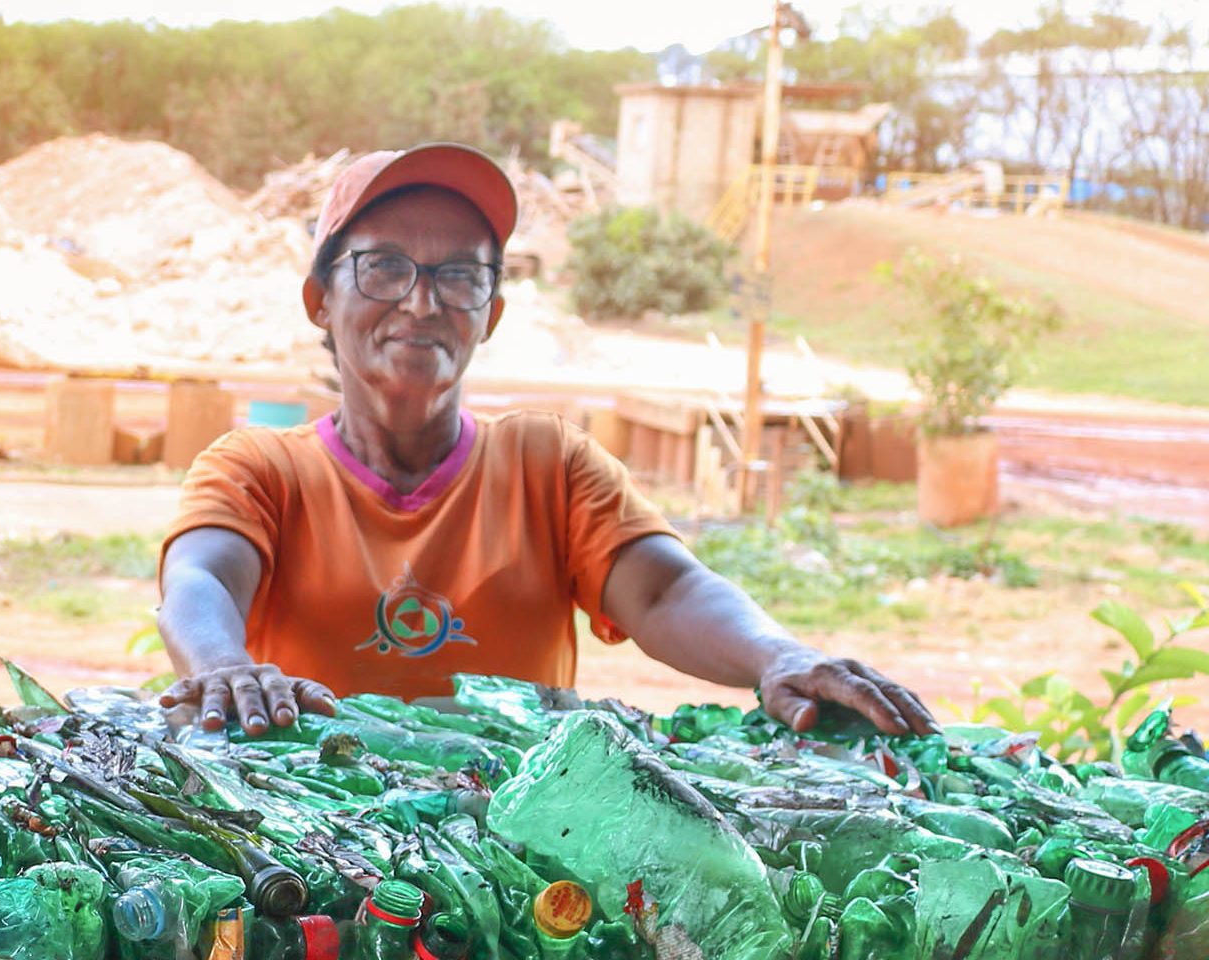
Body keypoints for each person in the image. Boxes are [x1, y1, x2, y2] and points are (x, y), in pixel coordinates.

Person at [155, 142, 936, 738]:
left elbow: (666, 591)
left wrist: (778, 654)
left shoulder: (548, 466)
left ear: (489, 315)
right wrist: (222, 666)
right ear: (320, 300)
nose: (422, 301)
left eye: (461, 275)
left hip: (518, 865)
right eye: (385, 267)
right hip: (322, 848)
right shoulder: (259, 467)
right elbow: (200, 583)